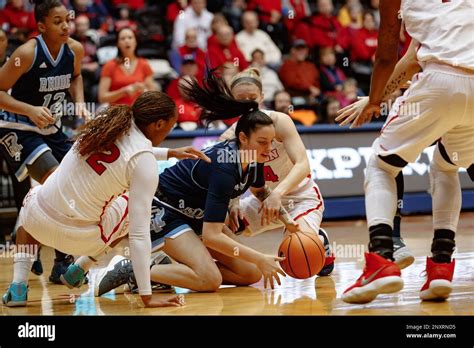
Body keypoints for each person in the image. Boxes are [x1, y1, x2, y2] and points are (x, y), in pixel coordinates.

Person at [2, 91, 208, 307]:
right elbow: (139, 235)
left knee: (34, 196)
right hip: (79, 240)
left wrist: (169, 153)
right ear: (158, 124)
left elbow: (128, 150)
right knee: (131, 208)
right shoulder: (144, 163)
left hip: (38, 223)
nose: (170, 131)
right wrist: (146, 295)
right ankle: (80, 268)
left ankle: (18, 287)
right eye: (171, 126)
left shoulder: (105, 123)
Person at [93, 71, 288, 296]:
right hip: (164, 210)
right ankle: (134, 269)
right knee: (209, 279)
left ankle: (169, 268)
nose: (270, 148)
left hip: (195, 215)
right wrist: (261, 257)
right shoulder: (224, 166)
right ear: (243, 139)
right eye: (263, 142)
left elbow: (260, 190)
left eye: (272, 142)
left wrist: (291, 224)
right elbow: (213, 234)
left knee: (251, 273)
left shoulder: (254, 157)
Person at [337, 0, 473, 303]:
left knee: (381, 165)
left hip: (439, 80)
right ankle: (440, 265)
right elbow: (412, 58)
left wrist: (374, 100)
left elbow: (387, 57)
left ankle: (383, 257)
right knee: (445, 166)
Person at [0, 0, 90, 283]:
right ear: (41, 25)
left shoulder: (74, 49)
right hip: (15, 126)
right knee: (55, 181)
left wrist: (79, 105)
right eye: (57, 21)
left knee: (72, 185)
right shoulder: (26, 53)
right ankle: (36, 245)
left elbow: (76, 77)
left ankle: (57, 260)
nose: (65, 26)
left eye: (67, 20)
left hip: (51, 128)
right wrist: (30, 109)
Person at [221, 68, 335, 275]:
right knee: (220, 222)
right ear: (231, 100)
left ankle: (318, 239)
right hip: (262, 199)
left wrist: (278, 194)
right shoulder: (229, 137)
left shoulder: (279, 121)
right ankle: (227, 268)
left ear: (262, 98)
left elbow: (303, 164)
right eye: (241, 99)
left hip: (300, 197)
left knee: (297, 249)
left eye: (252, 98)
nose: (247, 104)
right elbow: (230, 179)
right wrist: (234, 202)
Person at [98, 27, 159, 106]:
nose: (127, 41)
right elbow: (102, 97)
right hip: (117, 113)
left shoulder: (144, 64)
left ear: (135, 42)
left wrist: (143, 89)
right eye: (123, 39)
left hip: (139, 112)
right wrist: (123, 92)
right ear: (118, 44)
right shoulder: (110, 66)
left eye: (130, 38)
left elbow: (153, 94)